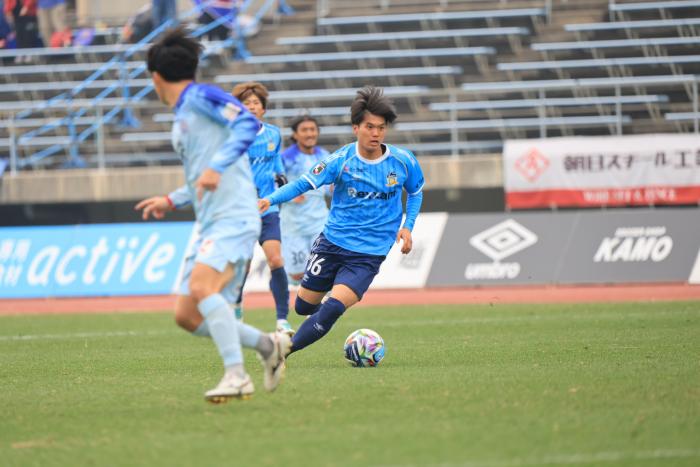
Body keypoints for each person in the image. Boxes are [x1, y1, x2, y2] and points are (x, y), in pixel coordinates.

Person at [134, 27, 291, 403]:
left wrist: (217, 167)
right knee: (187, 315)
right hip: (209, 222)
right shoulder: (184, 114)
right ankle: (268, 346)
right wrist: (171, 200)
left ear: (156, 77)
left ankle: (237, 375)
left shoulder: (201, 96)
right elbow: (200, 176)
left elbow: (247, 124)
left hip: (234, 216)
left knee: (204, 288)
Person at [259, 86, 425, 355]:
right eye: (369, 127)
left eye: (381, 128)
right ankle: (324, 302)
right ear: (356, 128)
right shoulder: (339, 160)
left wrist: (408, 226)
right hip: (332, 243)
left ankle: (283, 350)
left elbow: (415, 192)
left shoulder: (403, 160)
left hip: (369, 253)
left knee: (333, 308)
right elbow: (302, 184)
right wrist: (270, 199)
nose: (375, 133)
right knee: (303, 306)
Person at [231, 81, 293, 336]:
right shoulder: (231, 136)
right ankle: (236, 305)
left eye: (256, 103)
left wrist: (281, 175)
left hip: (267, 208)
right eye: (246, 103)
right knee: (243, 266)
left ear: (263, 108)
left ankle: (282, 320)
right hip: (241, 211)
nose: (252, 106)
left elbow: (275, 159)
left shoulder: (273, 134)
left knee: (275, 259)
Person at [279, 115, 330, 286]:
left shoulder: (325, 156)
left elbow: (330, 186)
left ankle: (324, 303)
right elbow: (273, 184)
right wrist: (290, 195)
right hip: (294, 226)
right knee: (297, 275)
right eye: (304, 130)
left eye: (312, 129)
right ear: (295, 134)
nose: (309, 134)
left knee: (323, 270)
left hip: (320, 223)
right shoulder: (286, 158)